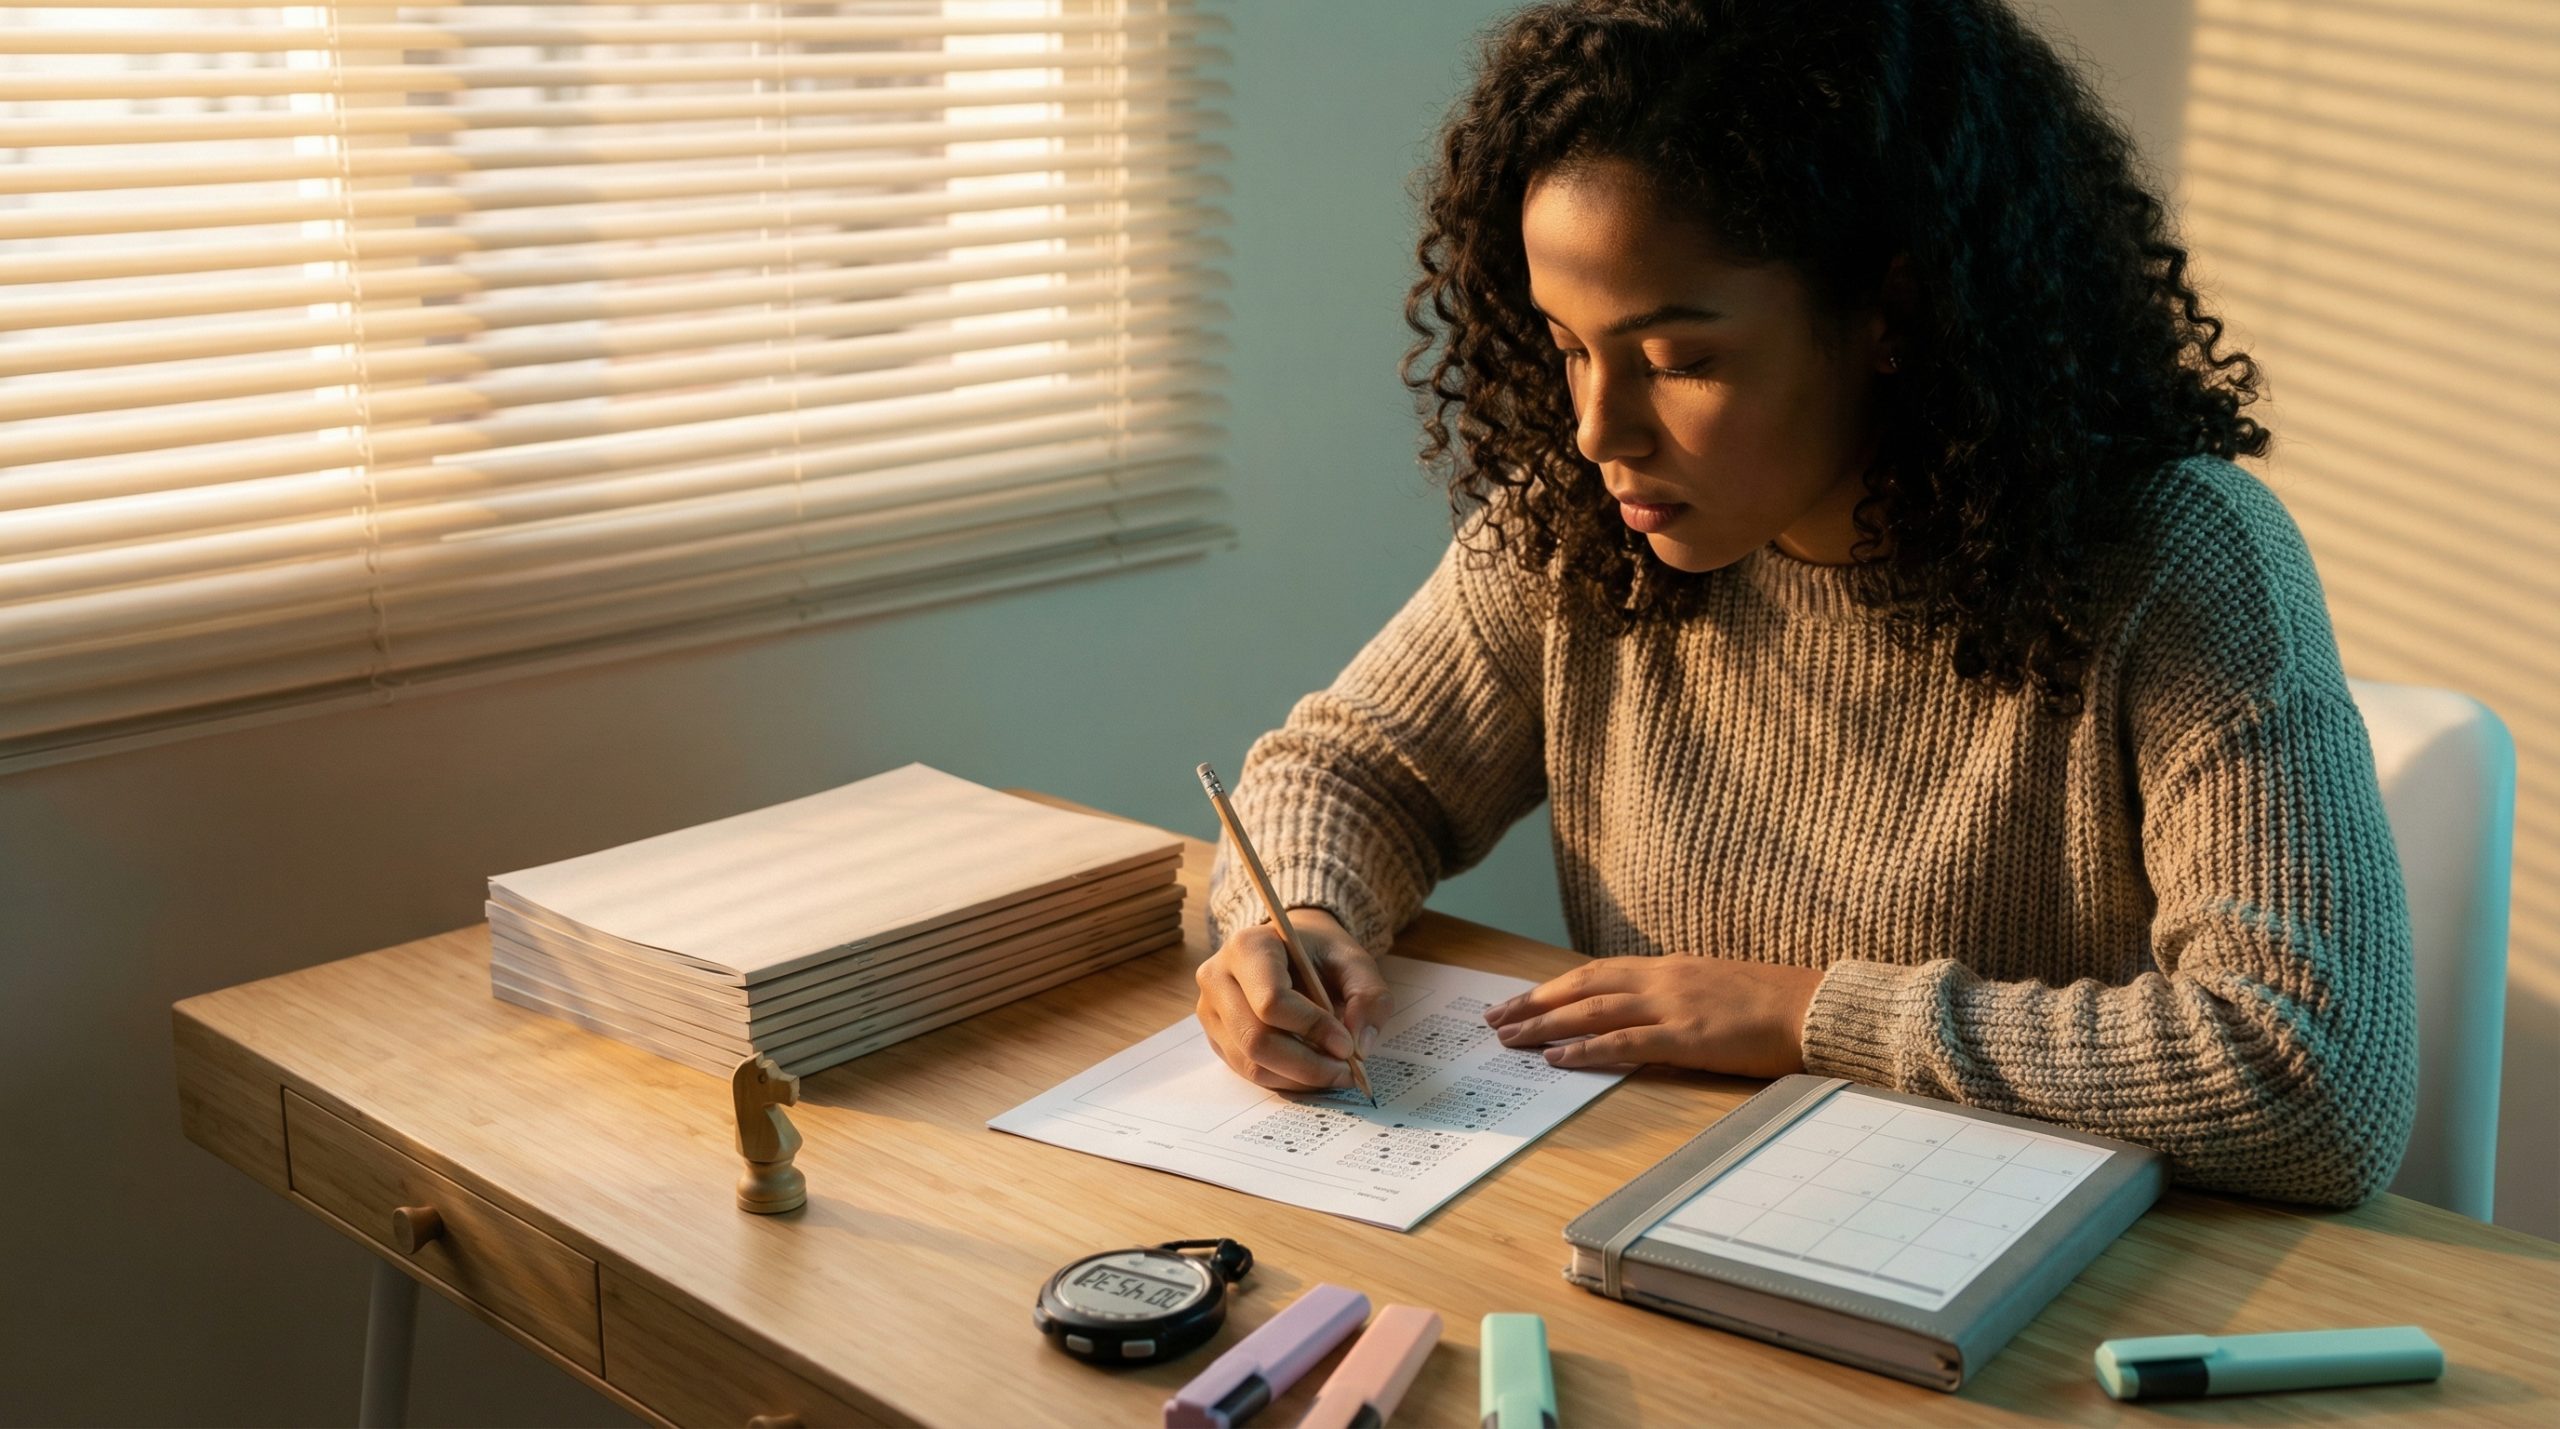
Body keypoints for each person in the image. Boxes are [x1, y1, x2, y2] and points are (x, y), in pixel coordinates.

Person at [1193, 0, 2416, 1208]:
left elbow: (2309, 1076)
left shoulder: (2177, 558)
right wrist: (1295, 913)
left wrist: (1803, 1013)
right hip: (1664, 1215)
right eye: (1567, 345)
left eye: (1679, 362)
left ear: (1889, 311)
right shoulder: (1582, 531)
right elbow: (1353, 772)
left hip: (2019, 1285)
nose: (1593, 429)